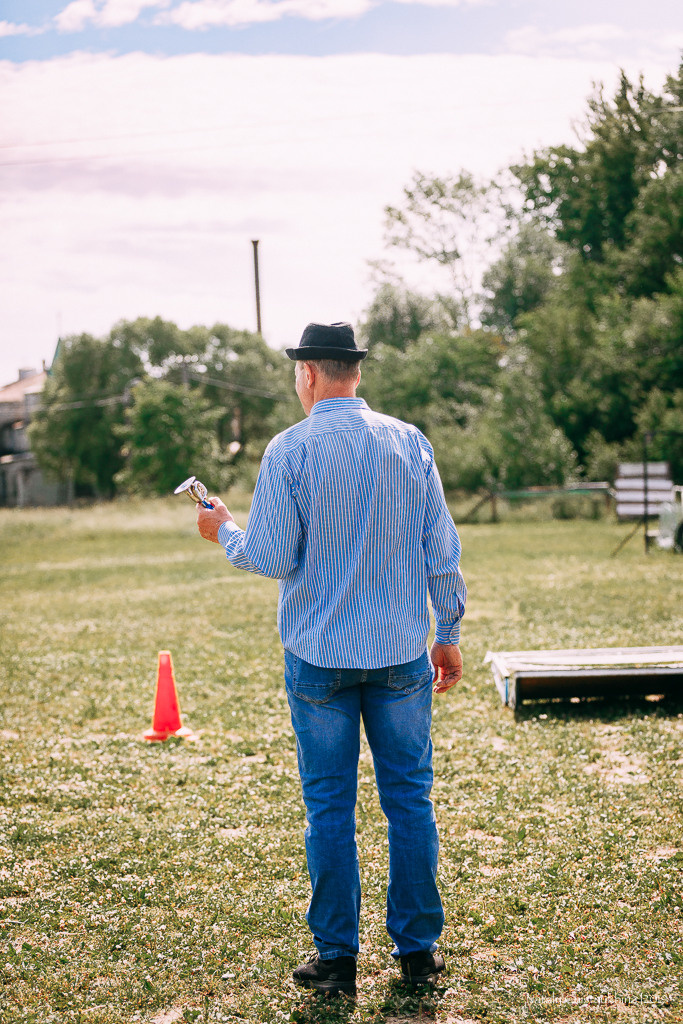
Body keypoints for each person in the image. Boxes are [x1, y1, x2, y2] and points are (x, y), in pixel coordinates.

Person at [196, 321, 466, 998]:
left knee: (329, 808)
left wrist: (222, 528)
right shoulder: (409, 442)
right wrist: (449, 629)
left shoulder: (290, 449)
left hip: (318, 657)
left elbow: (269, 556)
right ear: (354, 372)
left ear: (309, 374)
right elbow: (440, 547)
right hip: (403, 651)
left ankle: (336, 958)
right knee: (409, 799)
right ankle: (416, 950)